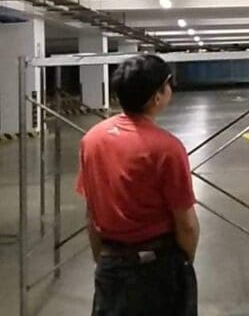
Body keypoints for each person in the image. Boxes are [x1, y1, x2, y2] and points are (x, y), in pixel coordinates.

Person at [76, 54, 199, 316]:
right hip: (159, 269)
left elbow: (91, 211)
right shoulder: (167, 148)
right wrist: (183, 262)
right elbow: (186, 223)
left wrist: (105, 259)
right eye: (168, 85)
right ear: (157, 96)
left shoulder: (92, 140)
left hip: (111, 267)